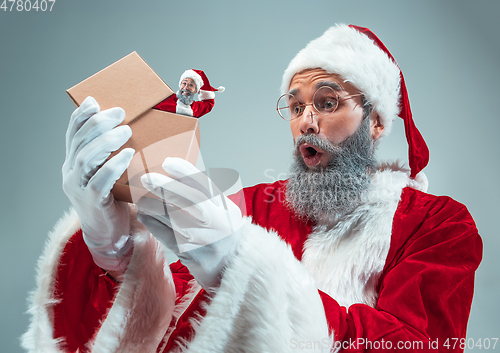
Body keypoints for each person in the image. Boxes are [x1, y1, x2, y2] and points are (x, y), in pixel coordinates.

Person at [22, 24, 482, 353]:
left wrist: (243, 265)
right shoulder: (260, 204)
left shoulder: (438, 223)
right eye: (296, 105)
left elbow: (417, 343)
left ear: (377, 121)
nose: (307, 121)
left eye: (327, 102)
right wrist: (113, 246)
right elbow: (177, 316)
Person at [153, 69, 224, 118]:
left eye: (191, 85)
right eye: (184, 83)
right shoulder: (165, 98)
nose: (186, 87)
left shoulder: (195, 108)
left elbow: (209, 103)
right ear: (180, 85)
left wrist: (206, 89)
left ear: (196, 90)